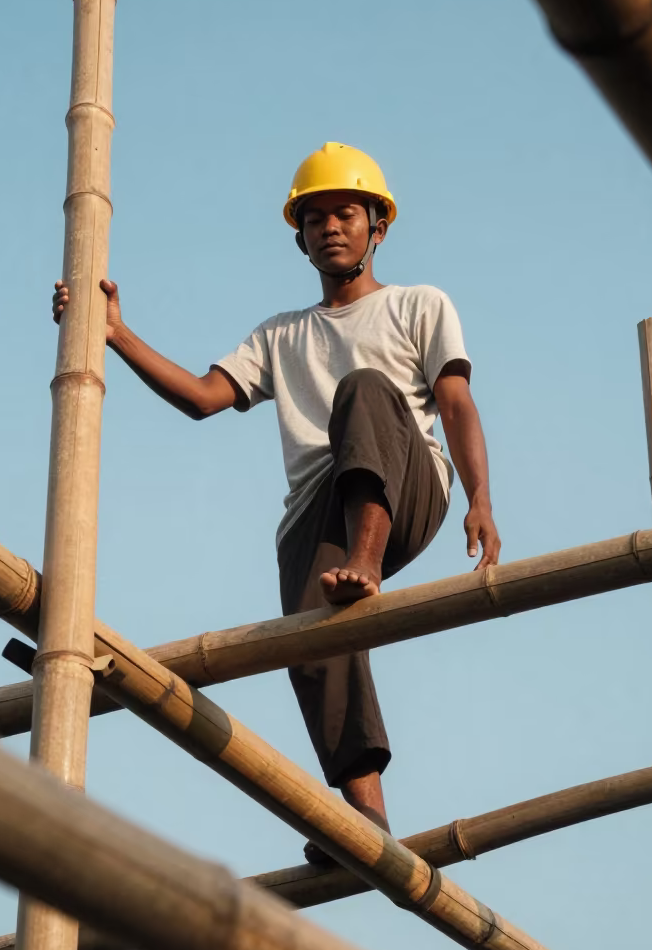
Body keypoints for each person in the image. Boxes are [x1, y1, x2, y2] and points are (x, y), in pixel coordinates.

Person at [52, 142, 501, 864]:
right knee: (311, 630)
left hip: (410, 482)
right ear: (300, 238)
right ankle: (366, 821)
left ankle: (366, 559)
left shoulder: (418, 305)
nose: (331, 227)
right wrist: (115, 335)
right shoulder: (281, 333)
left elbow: (455, 402)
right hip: (320, 508)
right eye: (315, 218)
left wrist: (482, 499)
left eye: (346, 213)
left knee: (361, 390)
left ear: (377, 225)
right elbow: (203, 398)